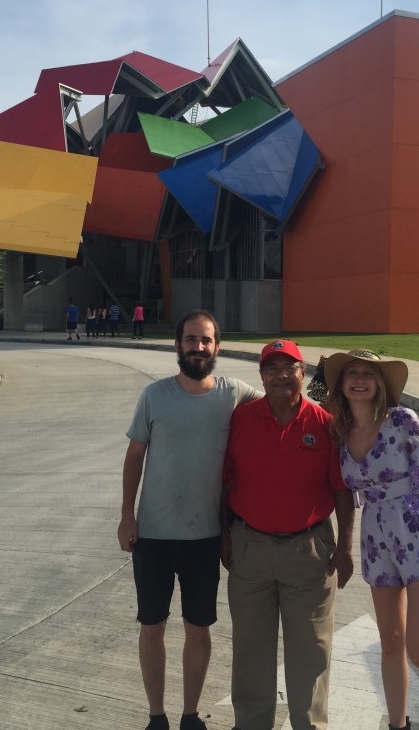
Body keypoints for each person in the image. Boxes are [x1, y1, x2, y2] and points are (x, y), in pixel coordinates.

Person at [119, 310, 261, 730]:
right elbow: (134, 455)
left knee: (198, 627)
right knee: (152, 625)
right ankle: (156, 715)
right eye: (190, 339)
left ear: (217, 347)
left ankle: (190, 715)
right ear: (177, 344)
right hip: (153, 535)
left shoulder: (233, 393)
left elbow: (283, 401)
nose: (198, 347)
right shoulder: (154, 395)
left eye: (205, 340)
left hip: (205, 537)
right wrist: (127, 515)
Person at [322, 348, 419, 730]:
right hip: (376, 537)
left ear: (379, 384)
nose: (359, 380)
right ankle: (398, 725)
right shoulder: (338, 432)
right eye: (351, 373)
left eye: (367, 374)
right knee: (390, 641)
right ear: (342, 384)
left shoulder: (402, 420)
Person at [222, 339, 355, 730]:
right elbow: (225, 480)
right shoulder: (242, 419)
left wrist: (345, 548)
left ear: (303, 373)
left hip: (309, 552)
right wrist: (224, 535)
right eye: (272, 368)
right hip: (250, 547)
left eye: (289, 367)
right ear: (261, 375)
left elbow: (342, 491)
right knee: (251, 650)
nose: (281, 375)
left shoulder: (324, 424)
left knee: (311, 652)